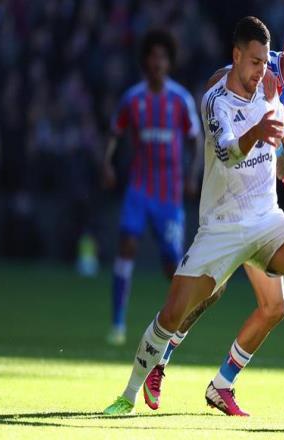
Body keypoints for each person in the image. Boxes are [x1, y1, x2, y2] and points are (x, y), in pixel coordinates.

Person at [103, 16, 284, 417]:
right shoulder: (250, 75)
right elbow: (222, 116)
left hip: (263, 214)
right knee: (193, 302)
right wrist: (255, 117)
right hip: (223, 220)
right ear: (282, 53)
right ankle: (145, 377)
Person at [103, 30, 202, 346]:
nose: (158, 62)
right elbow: (115, 133)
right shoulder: (133, 99)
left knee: (172, 265)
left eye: (163, 57)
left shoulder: (180, 100)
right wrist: (107, 163)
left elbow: (196, 141)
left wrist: (193, 176)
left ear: (169, 62)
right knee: (127, 244)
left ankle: (175, 327)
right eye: (153, 56)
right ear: (146, 60)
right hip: (139, 187)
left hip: (169, 194)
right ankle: (118, 323)